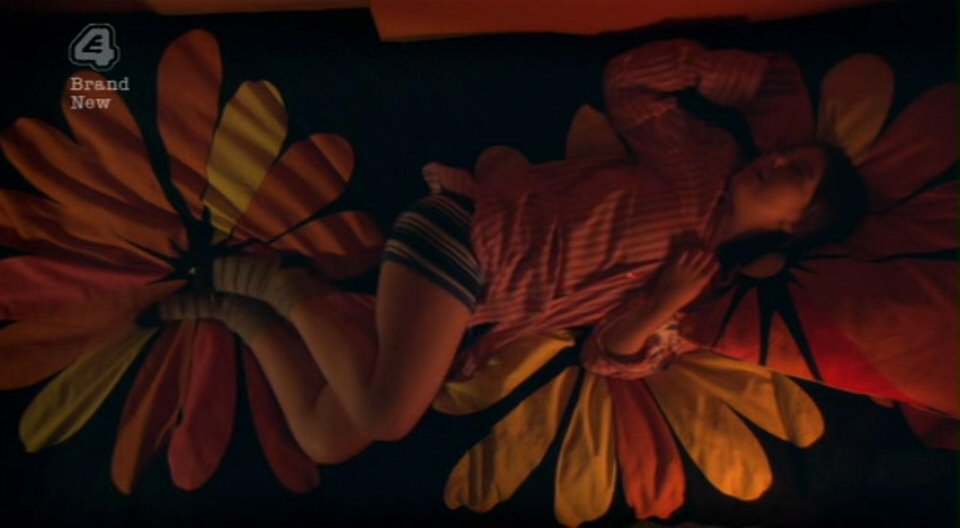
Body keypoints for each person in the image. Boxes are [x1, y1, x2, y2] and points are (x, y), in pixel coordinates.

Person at [148, 39, 867, 463]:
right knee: (387, 419)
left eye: (796, 172)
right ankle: (283, 289)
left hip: (467, 305)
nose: (775, 160)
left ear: (796, 225)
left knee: (328, 439)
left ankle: (239, 314)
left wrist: (662, 300)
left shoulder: (707, 294)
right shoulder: (702, 158)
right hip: (466, 237)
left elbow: (605, 357)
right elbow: (629, 81)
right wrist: (738, 79)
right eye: (786, 152)